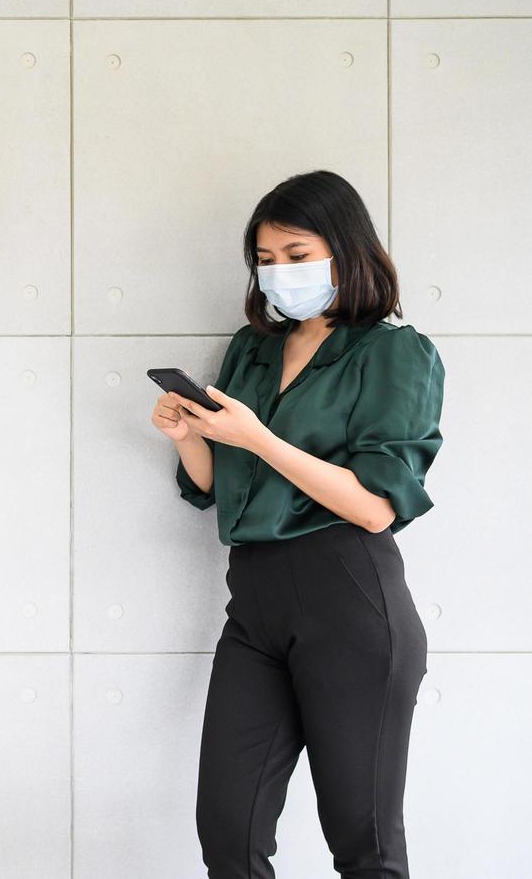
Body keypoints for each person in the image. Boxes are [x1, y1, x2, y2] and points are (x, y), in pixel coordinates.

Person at [151, 169, 443, 878]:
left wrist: (258, 438)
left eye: (297, 253)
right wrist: (189, 438)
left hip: (347, 596)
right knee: (229, 831)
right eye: (266, 258)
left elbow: (376, 505)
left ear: (346, 250)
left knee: (363, 844)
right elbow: (222, 490)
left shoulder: (393, 352)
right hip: (253, 603)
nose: (279, 272)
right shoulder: (250, 349)